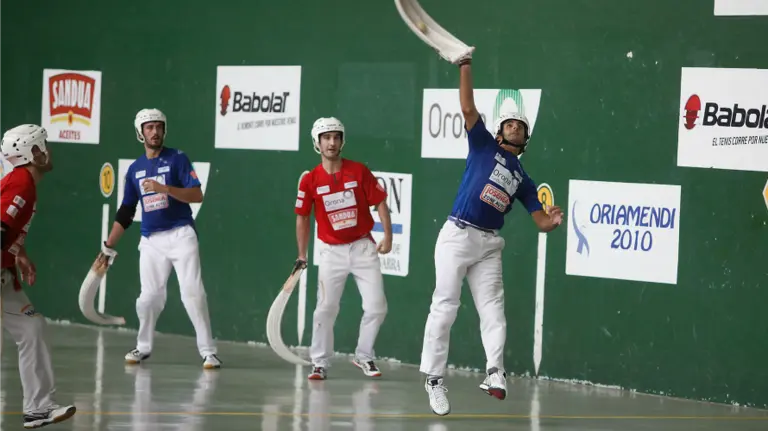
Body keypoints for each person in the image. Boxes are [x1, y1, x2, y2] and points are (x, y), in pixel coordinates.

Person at [419, 49, 564, 416]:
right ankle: (434, 379)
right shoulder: (482, 144)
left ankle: (495, 372)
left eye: (521, 125)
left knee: (494, 313)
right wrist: (464, 65)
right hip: (457, 235)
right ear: (499, 130)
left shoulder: (523, 179)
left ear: (526, 138)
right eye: (510, 123)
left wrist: (552, 219)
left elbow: (540, 222)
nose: (515, 126)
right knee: (445, 307)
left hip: (487, 245)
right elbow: (468, 109)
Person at [99, 109, 221, 369]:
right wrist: (108, 246)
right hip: (151, 240)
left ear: (164, 130)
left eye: (158, 127)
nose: (155, 132)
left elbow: (196, 194)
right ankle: (143, 347)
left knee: (193, 293)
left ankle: (208, 351)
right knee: (148, 298)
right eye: (149, 127)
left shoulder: (178, 159)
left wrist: (164, 188)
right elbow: (126, 211)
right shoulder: (134, 170)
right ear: (140, 133)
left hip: (181, 234)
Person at [294, 117, 393, 381]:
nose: (332, 142)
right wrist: (302, 254)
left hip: (363, 248)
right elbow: (302, 217)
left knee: (377, 307)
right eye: (326, 138)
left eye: (336, 137)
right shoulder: (310, 180)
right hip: (332, 252)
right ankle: (320, 362)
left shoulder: (359, 171)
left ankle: (364, 355)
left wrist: (389, 237)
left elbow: (381, 202)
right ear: (317, 142)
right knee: (325, 309)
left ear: (342, 141)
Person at [0, 124, 77, 428]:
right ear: (31, 152)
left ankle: (39, 408)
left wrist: (19, 254)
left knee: (32, 329)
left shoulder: (23, 183)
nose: (49, 151)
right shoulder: (21, 183)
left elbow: (7, 228)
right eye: (43, 146)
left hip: (5, 274)